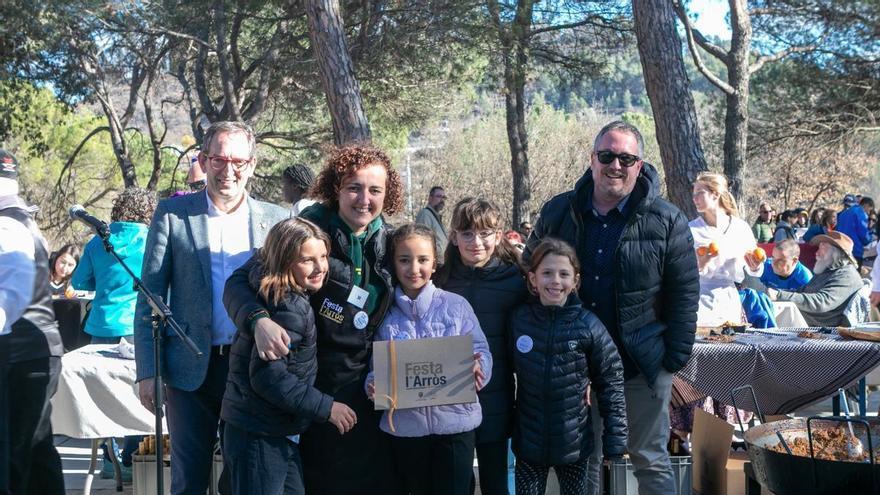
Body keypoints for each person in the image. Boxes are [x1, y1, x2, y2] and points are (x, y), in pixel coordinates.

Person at [524, 121, 699, 495]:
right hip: (573, 367)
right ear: (592, 160)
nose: (615, 165)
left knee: (649, 458)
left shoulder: (666, 219)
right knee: (581, 461)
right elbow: (529, 274)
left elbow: (684, 293)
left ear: (639, 164)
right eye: (607, 156)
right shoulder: (558, 211)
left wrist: (673, 359)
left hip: (641, 365)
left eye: (626, 157)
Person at [223, 144, 404, 494]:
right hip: (308, 390)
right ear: (335, 188)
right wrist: (258, 320)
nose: (363, 199)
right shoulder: (304, 232)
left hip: (365, 388)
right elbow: (237, 283)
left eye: (375, 190)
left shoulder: (390, 241)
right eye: (353, 187)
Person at [133, 121, 289, 494]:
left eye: (237, 161)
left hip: (251, 369)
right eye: (218, 159)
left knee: (242, 476)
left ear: (251, 164)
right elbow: (149, 295)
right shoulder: (173, 215)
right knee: (188, 478)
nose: (228, 170)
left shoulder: (277, 220)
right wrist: (147, 370)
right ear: (203, 160)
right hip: (189, 370)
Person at [221, 218, 356, 495]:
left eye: (323, 256)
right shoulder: (287, 307)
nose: (320, 267)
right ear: (285, 262)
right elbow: (269, 378)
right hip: (259, 434)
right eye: (307, 260)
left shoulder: (280, 289)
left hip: (273, 430)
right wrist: (326, 407)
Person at [365, 223, 492, 495]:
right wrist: (374, 385)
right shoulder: (385, 316)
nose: (414, 268)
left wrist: (479, 367)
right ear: (393, 264)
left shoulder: (456, 306)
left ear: (434, 263)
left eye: (422, 260)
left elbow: (480, 349)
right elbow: (376, 368)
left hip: (455, 428)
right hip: (407, 431)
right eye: (404, 260)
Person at [511, 239, 626, 495]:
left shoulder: (588, 325)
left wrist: (615, 440)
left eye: (564, 274)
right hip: (529, 442)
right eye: (547, 273)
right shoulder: (519, 321)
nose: (555, 281)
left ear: (575, 281)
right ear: (532, 279)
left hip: (574, 443)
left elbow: (611, 380)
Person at [435, 197, 528, 495]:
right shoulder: (440, 280)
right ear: (454, 236)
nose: (476, 242)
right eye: (467, 233)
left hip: (497, 401)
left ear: (498, 235)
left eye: (485, 233)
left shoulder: (516, 281)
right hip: (449, 402)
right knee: (456, 481)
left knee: (496, 482)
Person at [71, 187, 157, 481]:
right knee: (137, 395)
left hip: (102, 327)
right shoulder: (151, 240)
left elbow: (80, 280)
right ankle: (134, 455)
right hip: (138, 328)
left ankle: (109, 458)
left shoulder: (99, 241)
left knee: (103, 395)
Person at [0, 148, 65, 494]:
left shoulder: (6, 223)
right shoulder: (21, 218)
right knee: (36, 452)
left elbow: (9, 297)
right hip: (37, 349)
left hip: (21, 353)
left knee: (16, 455)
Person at [690, 172, 763, 325]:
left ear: (715, 194)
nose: (694, 198)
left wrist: (755, 266)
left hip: (730, 299)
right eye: (693, 193)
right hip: (701, 299)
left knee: (730, 344)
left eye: (699, 193)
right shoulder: (691, 229)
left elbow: (754, 265)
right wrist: (701, 263)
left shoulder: (740, 227)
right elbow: (683, 271)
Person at [768, 231, 865, 327]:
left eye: (822, 248)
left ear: (835, 252)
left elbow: (821, 302)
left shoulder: (847, 275)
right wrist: (774, 293)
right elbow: (802, 292)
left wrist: (779, 295)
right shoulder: (828, 271)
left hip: (823, 331)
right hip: (804, 322)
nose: (817, 253)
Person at [836, 196, 874, 267]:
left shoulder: (843, 213)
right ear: (866, 205)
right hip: (855, 251)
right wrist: (871, 236)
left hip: (841, 249)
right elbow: (864, 236)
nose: (868, 213)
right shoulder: (861, 213)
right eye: (869, 210)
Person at [415, 185, 449, 259]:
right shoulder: (425, 214)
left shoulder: (435, 216)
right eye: (439, 196)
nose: (442, 200)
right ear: (430, 198)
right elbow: (423, 240)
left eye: (443, 197)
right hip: (435, 263)